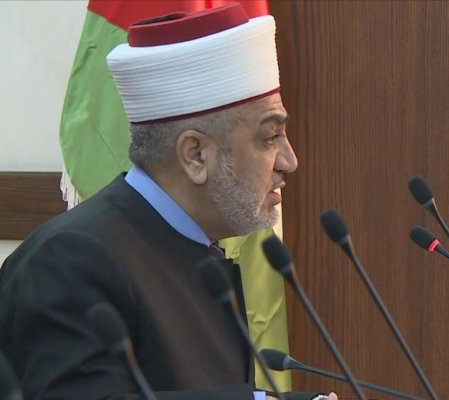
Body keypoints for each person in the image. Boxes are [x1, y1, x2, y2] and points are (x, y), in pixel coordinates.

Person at [0, 3, 337, 400]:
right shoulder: (71, 261)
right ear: (195, 155)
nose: (289, 161)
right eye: (270, 137)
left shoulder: (197, 249)